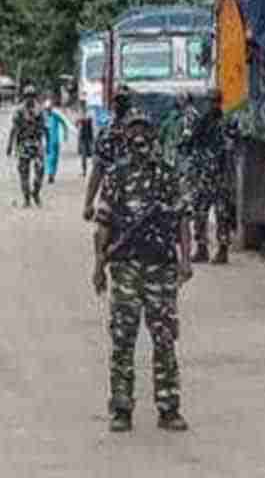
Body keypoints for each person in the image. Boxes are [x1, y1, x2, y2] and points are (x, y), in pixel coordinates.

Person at [91, 108, 193, 433]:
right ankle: (121, 408)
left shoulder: (167, 174)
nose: (139, 137)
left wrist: (185, 259)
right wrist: (98, 265)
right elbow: (103, 224)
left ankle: (168, 407)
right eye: (133, 130)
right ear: (125, 135)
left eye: (144, 130)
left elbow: (181, 219)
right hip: (125, 267)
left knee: (164, 338)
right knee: (123, 338)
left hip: (160, 267)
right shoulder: (116, 176)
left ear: (153, 135)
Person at [179, 89, 239, 264]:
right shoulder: (201, 123)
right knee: (199, 212)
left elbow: (232, 145)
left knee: (222, 214)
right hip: (203, 175)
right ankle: (202, 248)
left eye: (214, 101)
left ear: (219, 102)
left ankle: (222, 249)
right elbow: (187, 144)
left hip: (219, 176)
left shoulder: (226, 123)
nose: (211, 104)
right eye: (209, 101)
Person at [83, 85, 134, 224]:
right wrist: (88, 203)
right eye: (118, 101)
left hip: (137, 195)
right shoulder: (106, 131)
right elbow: (97, 171)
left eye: (124, 100)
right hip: (111, 195)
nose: (120, 105)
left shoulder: (139, 128)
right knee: (101, 232)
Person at [8, 84, 49, 207]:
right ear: (24, 97)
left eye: (32, 96)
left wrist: (49, 143)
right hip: (23, 144)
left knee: (40, 171)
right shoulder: (19, 111)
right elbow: (14, 129)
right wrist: (9, 145)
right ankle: (26, 198)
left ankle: (35, 193)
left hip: (36, 144)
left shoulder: (40, 110)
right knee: (24, 173)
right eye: (27, 96)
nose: (30, 98)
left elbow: (45, 128)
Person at [44, 98, 71, 184]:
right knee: (50, 158)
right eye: (47, 109)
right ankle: (50, 173)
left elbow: (64, 123)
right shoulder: (43, 117)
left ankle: (51, 174)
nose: (48, 110)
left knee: (53, 158)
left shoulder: (55, 115)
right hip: (47, 141)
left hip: (54, 140)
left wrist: (65, 134)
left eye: (49, 109)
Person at [78, 113, 95, 178]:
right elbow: (77, 123)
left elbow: (91, 120)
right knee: (84, 156)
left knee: (92, 154)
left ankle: (93, 171)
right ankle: (84, 171)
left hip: (89, 138)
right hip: (84, 138)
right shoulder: (81, 117)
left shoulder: (90, 114)